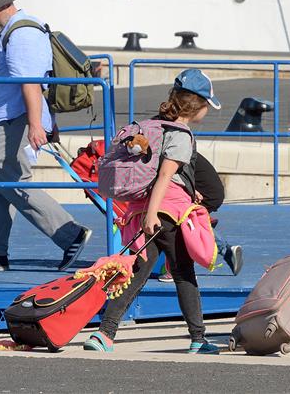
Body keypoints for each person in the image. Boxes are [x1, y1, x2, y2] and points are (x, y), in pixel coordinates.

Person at [83, 69, 221, 354]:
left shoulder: (153, 127)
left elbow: (160, 174)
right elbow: (164, 177)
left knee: (135, 274)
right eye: (207, 104)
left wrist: (179, 195)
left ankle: (104, 334)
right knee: (183, 273)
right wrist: (153, 215)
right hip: (165, 215)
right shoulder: (182, 135)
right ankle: (198, 339)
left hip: (143, 208)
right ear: (197, 105)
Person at [0, 0, 91, 272]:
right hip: (9, 118)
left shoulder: (21, 34)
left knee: (11, 182)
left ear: (3, 6)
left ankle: (70, 234)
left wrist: (36, 125)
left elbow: (30, 82)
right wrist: (45, 120)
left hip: (14, 119)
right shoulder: (19, 29)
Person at [158, 152, 244, 281]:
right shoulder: (179, 145)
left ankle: (179, 271)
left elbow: (173, 178)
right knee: (189, 222)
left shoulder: (172, 152)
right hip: (209, 190)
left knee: (180, 221)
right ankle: (226, 250)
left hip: (205, 192)